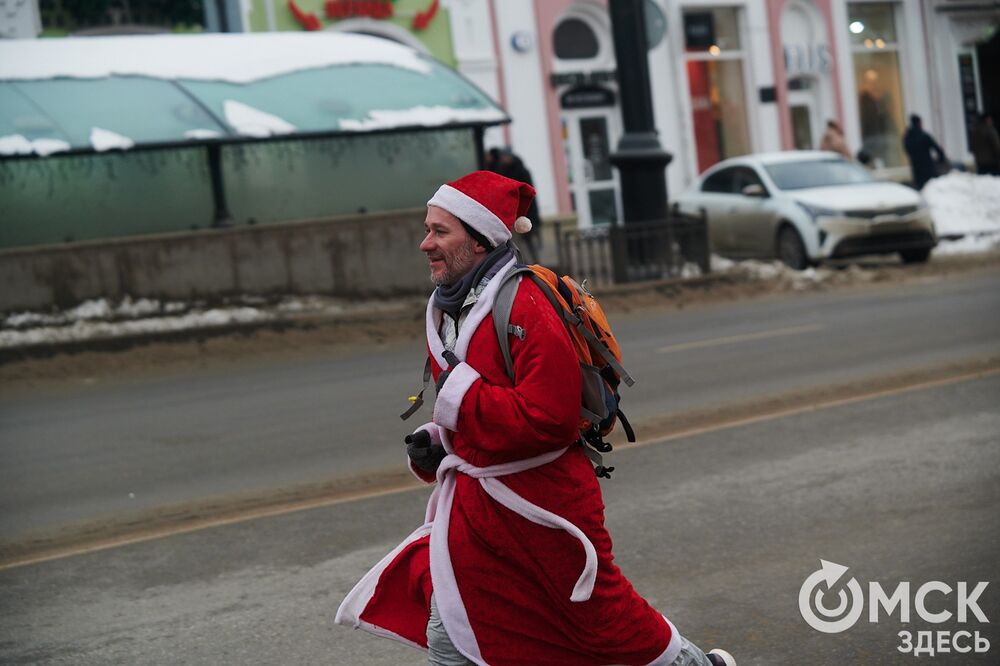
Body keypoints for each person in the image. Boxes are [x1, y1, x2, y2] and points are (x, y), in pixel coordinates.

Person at [336, 170, 736, 666]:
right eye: (427, 229)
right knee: (452, 631)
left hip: (545, 510)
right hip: (481, 515)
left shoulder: (526, 304)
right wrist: (442, 438)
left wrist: (460, 399)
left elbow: (550, 419)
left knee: (604, 624)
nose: (426, 244)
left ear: (480, 240)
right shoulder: (450, 309)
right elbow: (484, 405)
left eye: (440, 232)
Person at [487, 148, 542, 263]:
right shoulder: (505, 170)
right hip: (514, 215)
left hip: (524, 214)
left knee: (528, 242)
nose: (503, 159)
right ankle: (525, 263)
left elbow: (529, 196)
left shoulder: (519, 172)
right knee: (519, 244)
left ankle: (534, 265)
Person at [903, 114, 947, 191]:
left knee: (921, 189)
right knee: (932, 189)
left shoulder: (907, 138)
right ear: (919, 123)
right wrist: (941, 160)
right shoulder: (924, 136)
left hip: (916, 167)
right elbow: (937, 149)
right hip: (928, 167)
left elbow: (907, 150)